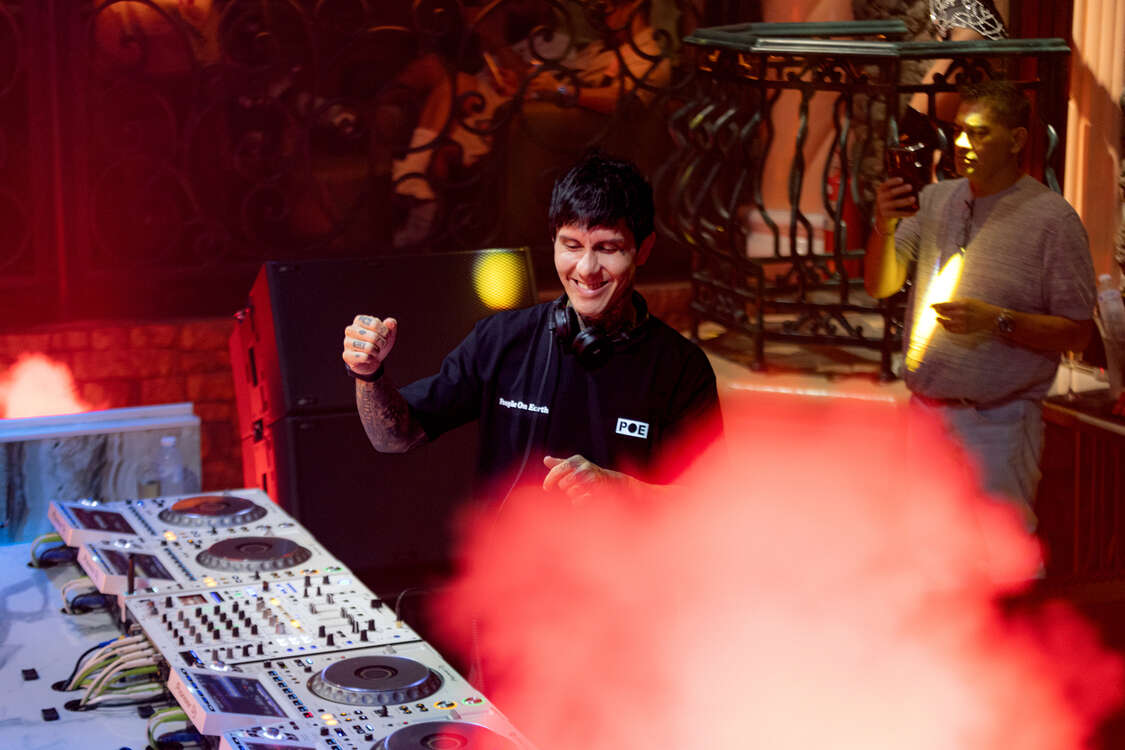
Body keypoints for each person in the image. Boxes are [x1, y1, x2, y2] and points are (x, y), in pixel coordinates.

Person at [342, 152, 721, 504]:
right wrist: (368, 373)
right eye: (572, 245)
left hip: (620, 557)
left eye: (607, 249)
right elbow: (394, 437)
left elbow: (711, 504)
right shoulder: (501, 339)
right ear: (553, 241)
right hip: (510, 554)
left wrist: (620, 488)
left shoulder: (682, 368)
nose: (586, 269)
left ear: (644, 249)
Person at [865, 80, 1096, 526]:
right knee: (924, 546)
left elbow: (1078, 333)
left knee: (994, 550)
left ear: (1016, 140)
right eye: (957, 131)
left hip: (998, 424)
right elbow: (880, 285)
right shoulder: (934, 199)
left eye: (979, 132)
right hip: (925, 415)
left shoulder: (1053, 221)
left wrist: (997, 321)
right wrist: (884, 225)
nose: (961, 144)